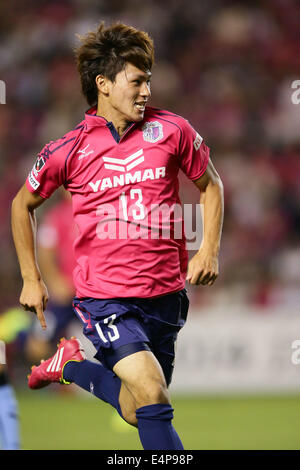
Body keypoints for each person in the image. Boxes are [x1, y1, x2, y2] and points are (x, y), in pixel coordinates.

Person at [11, 22, 224, 450]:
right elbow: (22, 205)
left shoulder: (173, 131)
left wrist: (209, 250)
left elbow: (212, 185)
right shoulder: (67, 150)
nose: (147, 91)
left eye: (149, 80)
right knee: (152, 392)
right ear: (104, 84)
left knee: (136, 407)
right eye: (137, 80)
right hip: (105, 297)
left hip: (166, 294)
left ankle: (69, 365)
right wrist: (31, 277)